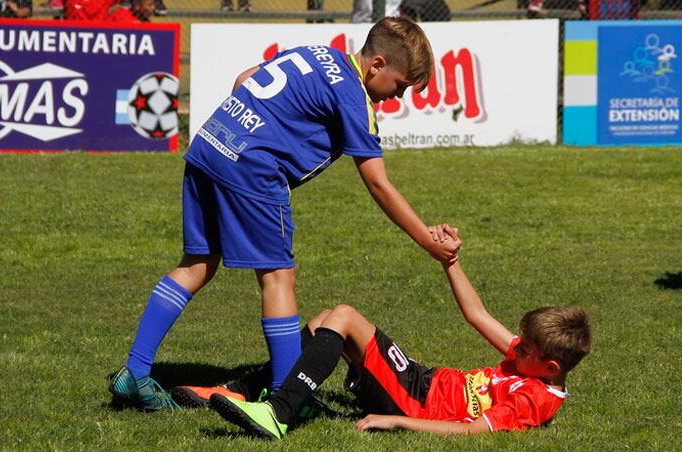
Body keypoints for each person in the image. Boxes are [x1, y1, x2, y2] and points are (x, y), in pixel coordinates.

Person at [107, 16, 459, 411]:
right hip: (253, 168)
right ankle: (288, 397)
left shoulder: (318, 53)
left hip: (211, 144)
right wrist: (427, 240)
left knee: (197, 263)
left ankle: (135, 372)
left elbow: (244, 79)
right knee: (278, 278)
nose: (398, 97)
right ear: (376, 65)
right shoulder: (353, 96)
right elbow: (378, 184)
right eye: (399, 86)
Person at [210, 228, 592, 438]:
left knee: (342, 316)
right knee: (327, 318)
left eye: (524, 349)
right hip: (419, 381)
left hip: (415, 402)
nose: (515, 348)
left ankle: (277, 413)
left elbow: (474, 432)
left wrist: (395, 421)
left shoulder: (534, 399)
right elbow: (476, 314)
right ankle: (254, 390)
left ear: (549, 366)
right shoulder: (529, 362)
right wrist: (451, 260)